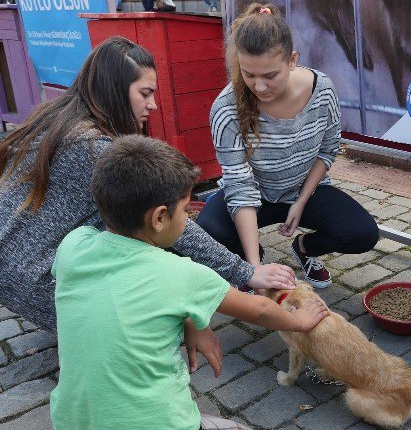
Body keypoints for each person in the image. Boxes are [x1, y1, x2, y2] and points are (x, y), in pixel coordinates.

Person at [0, 36, 297, 334]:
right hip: (41, 283)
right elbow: (173, 222)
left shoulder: (60, 119)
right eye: (145, 93)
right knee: (154, 241)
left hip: (15, 269)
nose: (153, 104)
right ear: (114, 91)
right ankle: (99, 328)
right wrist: (246, 271)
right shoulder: (93, 148)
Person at [49, 134, 329, 430]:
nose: (189, 218)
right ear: (159, 218)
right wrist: (298, 321)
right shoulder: (182, 273)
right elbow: (259, 309)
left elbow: (123, 292)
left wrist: (191, 321)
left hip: (72, 421)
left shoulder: (73, 246)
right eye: (185, 210)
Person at [196, 3, 379, 290]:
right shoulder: (226, 107)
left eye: (270, 75)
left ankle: (305, 248)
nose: (259, 86)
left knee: (363, 233)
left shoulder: (323, 89)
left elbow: (328, 150)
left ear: (292, 60)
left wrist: (301, 201)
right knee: (209, 229)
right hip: (256, 197)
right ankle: (254, 258)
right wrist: (253, 269)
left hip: (305, 190)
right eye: (249, 74)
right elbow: (239, 186)